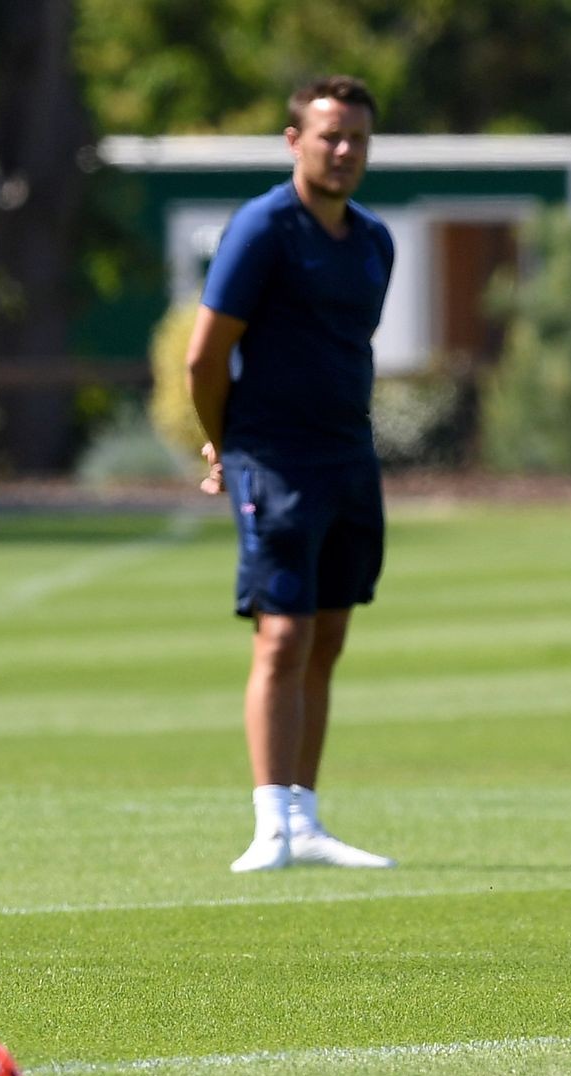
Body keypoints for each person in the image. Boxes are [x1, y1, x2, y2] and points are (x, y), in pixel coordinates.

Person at [185, 75, 398, 873]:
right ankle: (269, 821)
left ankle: (304, 818)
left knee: (329, 634)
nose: (343, 151)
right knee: (281, 634)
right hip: (272, 459)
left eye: (356, 139)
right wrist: (223, 443)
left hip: (348, 457)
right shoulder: (262, 229)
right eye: (329, 135)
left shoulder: (374, 239)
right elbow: (203, 357)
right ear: (293, 141)